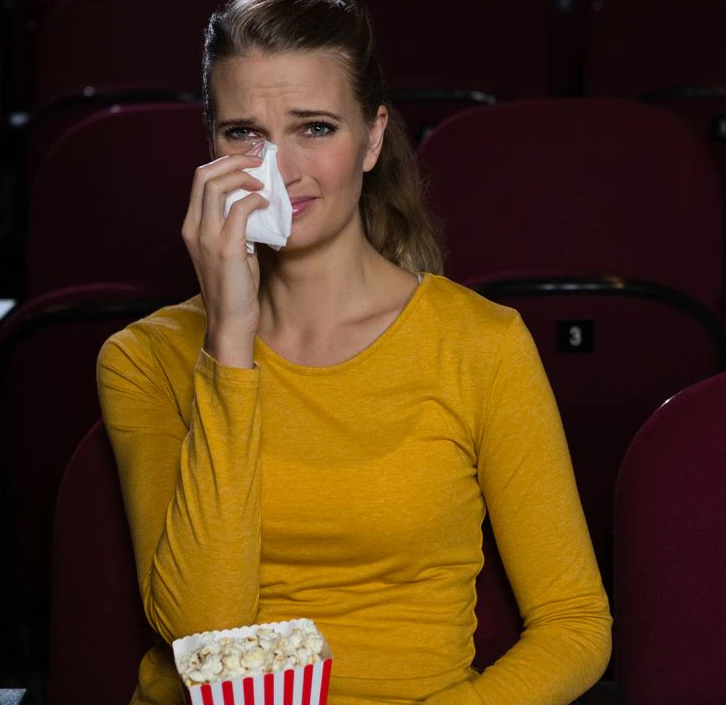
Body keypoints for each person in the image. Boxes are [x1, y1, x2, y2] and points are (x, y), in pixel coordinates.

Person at [95, 1, 611, 704]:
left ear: (372, 140)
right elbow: (201, 633)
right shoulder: (143, 359)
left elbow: (575, 623)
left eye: (315, 128)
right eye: (244, 133)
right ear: (212, 148)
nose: (280, 171)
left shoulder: (480, 343)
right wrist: (230, 340)